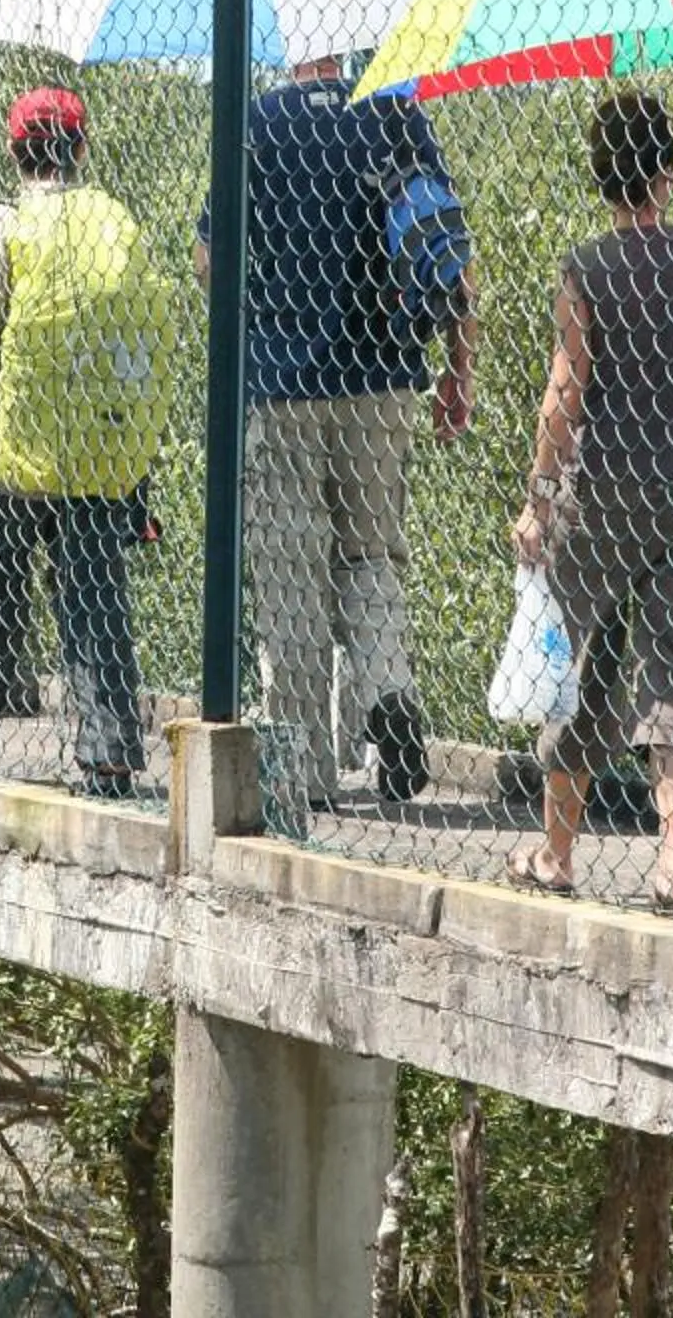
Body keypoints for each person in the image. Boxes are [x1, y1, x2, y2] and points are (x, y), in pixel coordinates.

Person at [197, 54, 475, 811]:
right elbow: (450, 253)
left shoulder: (258, 122)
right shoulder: (395, 114)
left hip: (281, 385)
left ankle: (305, 774)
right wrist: (458, 371)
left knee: (291, 581)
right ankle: (388, 686)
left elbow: (210, 260)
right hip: (385, 380)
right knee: (370, 555)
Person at [508, 92, 673, 913]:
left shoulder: (587, 269)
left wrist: (540, 501)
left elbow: (563, 398)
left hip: (606, 493)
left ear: (601, 177)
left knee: (581, 664)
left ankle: (557, 852)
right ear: (669, 171)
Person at [0, 86, 170, 797]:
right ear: (81, 148)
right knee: (93, 595)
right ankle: (109, 748)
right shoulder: (112, 221)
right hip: (98, 443)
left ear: (14, 152)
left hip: (12, 440)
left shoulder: (0, 225)